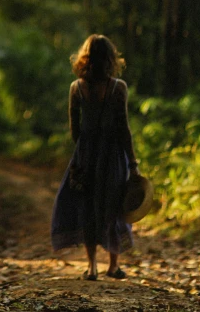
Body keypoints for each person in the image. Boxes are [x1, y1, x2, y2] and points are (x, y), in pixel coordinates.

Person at [51, 34, 140, 281]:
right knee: (114, 207)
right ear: (110, 58)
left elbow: (74, 130)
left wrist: (84, 150)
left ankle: (91, 267)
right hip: (113, 155)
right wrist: (132, 164)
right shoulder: (118, 88)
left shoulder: (76, 88)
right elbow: (124, 129)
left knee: (88, 207)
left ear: (85, 58)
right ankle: (113, 265)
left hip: (86, 154)